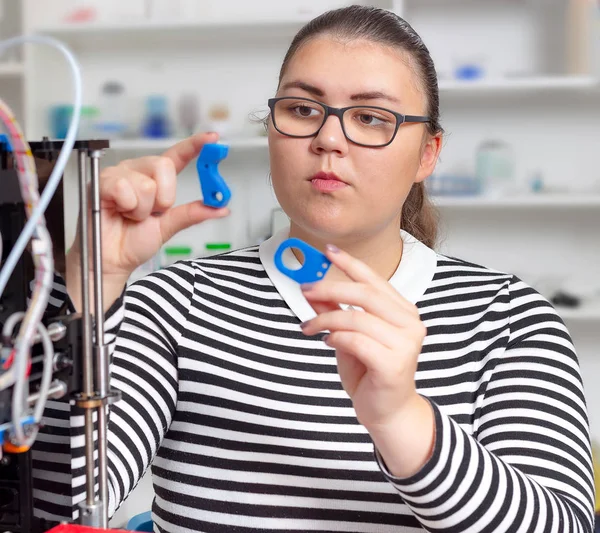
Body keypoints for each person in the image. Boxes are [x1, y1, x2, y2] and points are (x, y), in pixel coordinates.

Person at [35, 5, 594, 532]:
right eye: (303, 110)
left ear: (428, 153)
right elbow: (53, 505)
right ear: (272, 129)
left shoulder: (510, 320)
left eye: (371, 118)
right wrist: (90, 281)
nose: (328, 139)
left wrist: (404, 420)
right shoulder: (178, 302)